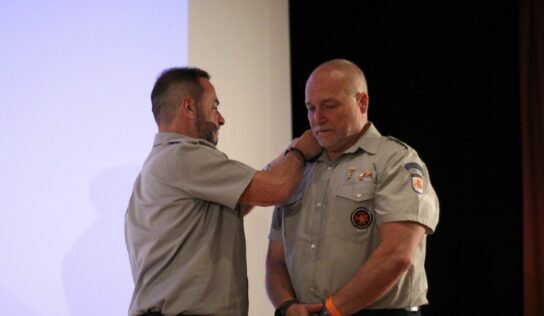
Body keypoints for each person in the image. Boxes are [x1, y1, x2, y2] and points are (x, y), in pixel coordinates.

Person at [125, 66, 322, 316]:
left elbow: (244, 199)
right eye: (214, 106)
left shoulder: (158, 165)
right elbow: (277, 189)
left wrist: (280, 162)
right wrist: (300, 150)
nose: (221, 119)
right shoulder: (184, 156)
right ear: (188, 107)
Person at [266, 59, 439, 316]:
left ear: (362, 103)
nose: (317, 118)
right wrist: (286, 305)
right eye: (310, 108)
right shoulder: (299, 168)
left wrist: (332, 311)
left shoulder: (395, 161)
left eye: (329, 106)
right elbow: (276, 258)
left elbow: (398, 254)